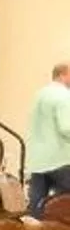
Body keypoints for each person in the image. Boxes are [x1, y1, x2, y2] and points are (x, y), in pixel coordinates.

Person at [29, 64, 70, 210]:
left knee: (36, 206)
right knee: (62, 205)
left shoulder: (40, 94)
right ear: (63, 75)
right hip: (60, 159)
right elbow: (66, 128)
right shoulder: (63, 95)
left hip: (38, 160)